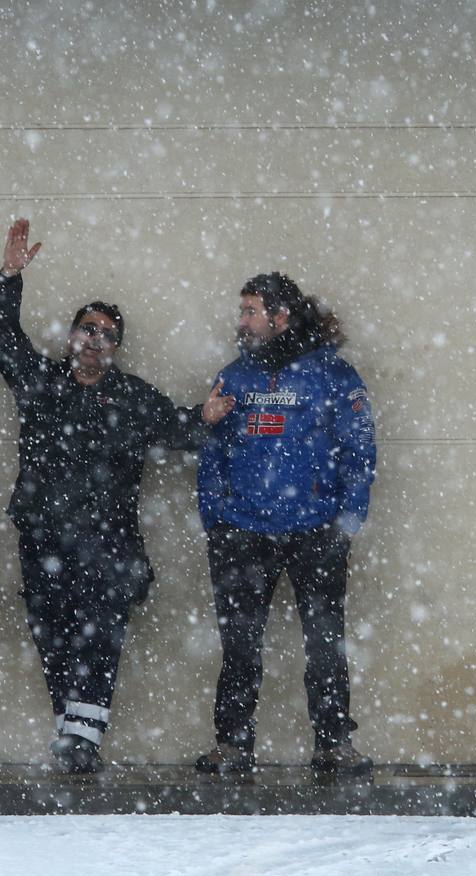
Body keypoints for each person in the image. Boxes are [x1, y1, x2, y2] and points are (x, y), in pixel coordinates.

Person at [0, 218, 216, 774]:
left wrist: (207, 418)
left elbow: (180, 429)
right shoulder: (41, 384)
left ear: (116, 347)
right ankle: (74, 731)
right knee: (53, 638)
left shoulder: (132, 398)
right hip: (44, 537)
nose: (96, 339)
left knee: (98, 640)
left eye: (108, 334)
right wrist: (8, 278)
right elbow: (2, 338)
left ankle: (82, 740)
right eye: (88, 329)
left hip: (108, 546)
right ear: (72, 336)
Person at [193, 271, 376, 777]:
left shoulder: (334, 376)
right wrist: (217, 518)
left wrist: (347, 522)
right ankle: (232, 745)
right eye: (242, 311)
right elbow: (212, 451)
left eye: (252, 311)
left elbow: (360, 453)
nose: (243, 321)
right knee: (240, 645)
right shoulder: (234, 377)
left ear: (281, 316)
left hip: (316, 533)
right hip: (242, 533)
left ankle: (334, 746)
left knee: (324, 641)